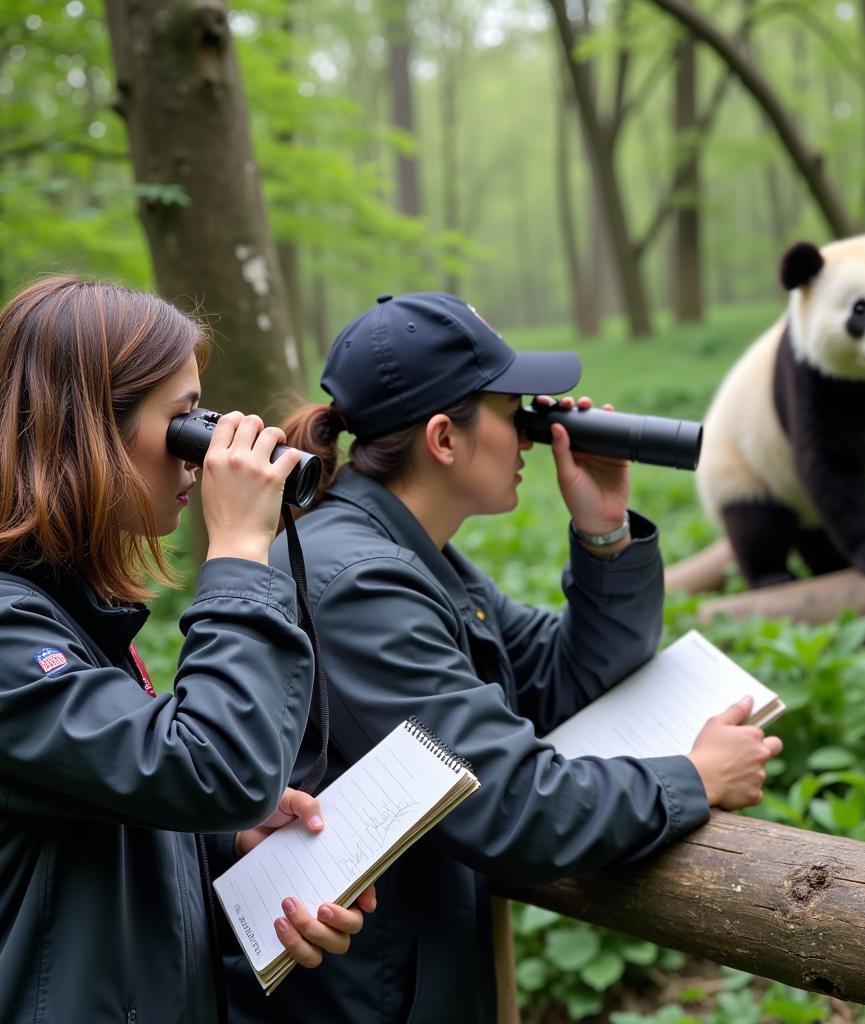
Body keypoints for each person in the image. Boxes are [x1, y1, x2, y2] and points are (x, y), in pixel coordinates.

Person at [224, 292, 781, 1023]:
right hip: (364, 1000)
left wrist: (604, 533)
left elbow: (561, 682)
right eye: (513, 410)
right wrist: (692, 779)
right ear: (444, 440)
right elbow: (511, 807)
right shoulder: (359, 584)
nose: (530, 433)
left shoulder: (411, 556)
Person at [0, 276, 373, 1024]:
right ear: (88, 433)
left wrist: (224, 844)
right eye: (183, 422)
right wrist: (236, 552)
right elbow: (213, 766)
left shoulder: (69, 612)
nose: (200, 453)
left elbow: (96, 806)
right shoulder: (12, 635)